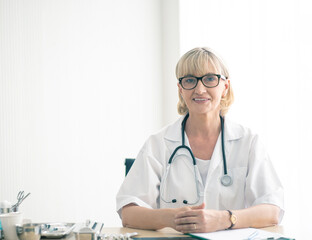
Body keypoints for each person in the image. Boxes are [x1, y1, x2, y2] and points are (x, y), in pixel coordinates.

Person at [115, 47, 284, 233]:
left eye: (210, 78)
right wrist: (173, 219)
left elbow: (272, 210)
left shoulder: (248, 142)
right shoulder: (158, 144)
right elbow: (129, 213)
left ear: (225, 87)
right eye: (189, 80)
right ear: (180, 89)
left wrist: (225, 218)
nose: (200, 89)